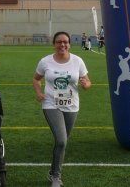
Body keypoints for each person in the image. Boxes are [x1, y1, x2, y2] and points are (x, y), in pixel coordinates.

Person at [33, 31, 91, 187]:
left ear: (70, 44)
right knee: (61, 140)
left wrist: (86, 85)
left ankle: (52, 172)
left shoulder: (78, 61)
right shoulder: (45, 62)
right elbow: (36, 79)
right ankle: (56, 177)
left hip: (72, 105)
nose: (62, 45)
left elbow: (86, 80)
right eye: (59, 42)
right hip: (51, 104)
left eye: (65, 42)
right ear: (54, 44)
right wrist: (39, 92)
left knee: (62, 142)